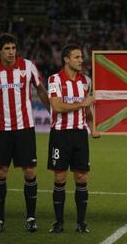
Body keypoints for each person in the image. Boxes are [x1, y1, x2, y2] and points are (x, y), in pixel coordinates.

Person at [0, 33, 50, 232]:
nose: (11, 52)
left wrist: (52, 112)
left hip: (25, 128)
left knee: (29, 172)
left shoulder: (28, 66)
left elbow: (40, 90)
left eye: (13, 48)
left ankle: (31, 218)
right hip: (1, 129)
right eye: (7, 48)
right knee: (0, 172)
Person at [46, 44, 99, 234]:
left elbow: (88, 110)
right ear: (66, 59)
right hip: (60, 135)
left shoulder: (86, 81)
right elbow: (57, 106)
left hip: (79, 135)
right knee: (60, 178)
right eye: (76, 57)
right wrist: (82, 103)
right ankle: (58, 223)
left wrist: (92, 129)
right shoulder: (54, 79)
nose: (81, 60)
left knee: (82, 178)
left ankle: (81, 223)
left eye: (81, 57)